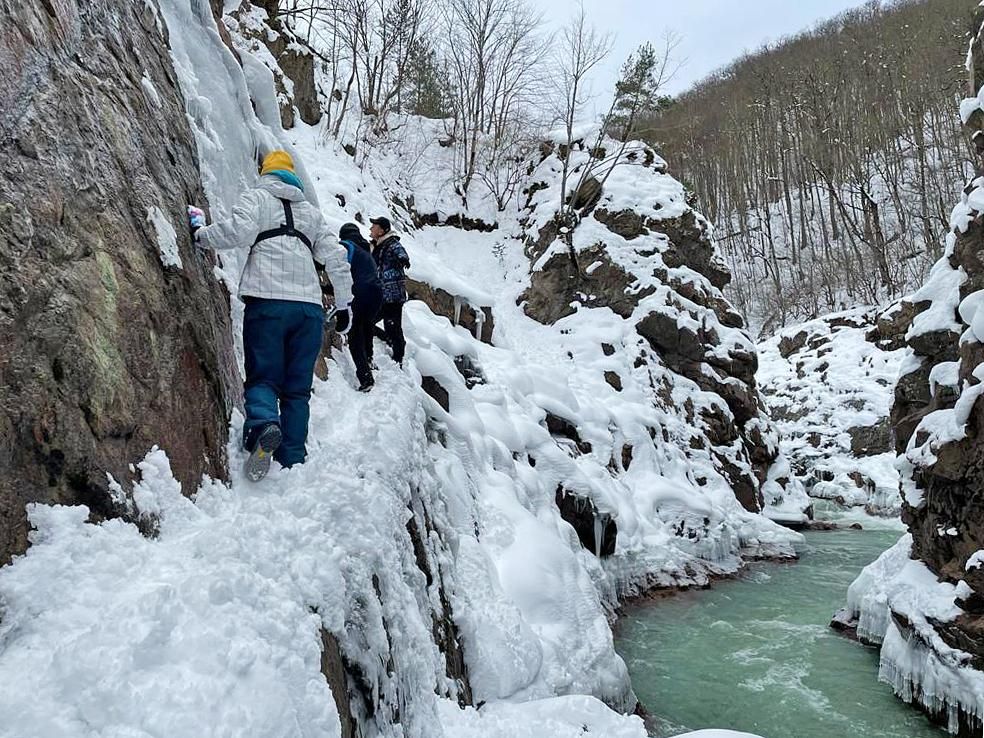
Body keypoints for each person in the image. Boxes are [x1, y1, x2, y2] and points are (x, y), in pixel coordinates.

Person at [189, 150, 353, 481]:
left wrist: (200, 234)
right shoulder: (311, 214)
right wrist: (346, 303)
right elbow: (336, 258)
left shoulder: (258, 198)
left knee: (264, 376)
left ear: (266, 172)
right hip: (308, 310)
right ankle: (292, 458)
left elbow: (237, 232)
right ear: (292, 176)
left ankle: (264, 425)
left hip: (268, 302)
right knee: (297, 389)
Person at [339, 223, 383, 392]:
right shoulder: (366, 251)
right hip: (376, 294)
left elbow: (339, 271)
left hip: (361, 292)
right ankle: (369, 359)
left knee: (355, 335)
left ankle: (366, 378)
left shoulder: (346, 246)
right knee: (366, 327)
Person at [368, 216, 410, 366]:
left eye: (374, 226)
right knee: (367, 321)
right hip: (379, 294)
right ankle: (389, 341)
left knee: (393, 326)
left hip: (392, 295)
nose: (371, 229)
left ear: (382, 230)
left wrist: (403, 259)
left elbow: (401, 252)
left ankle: (398, 358)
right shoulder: (374, 246)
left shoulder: (391, 243)